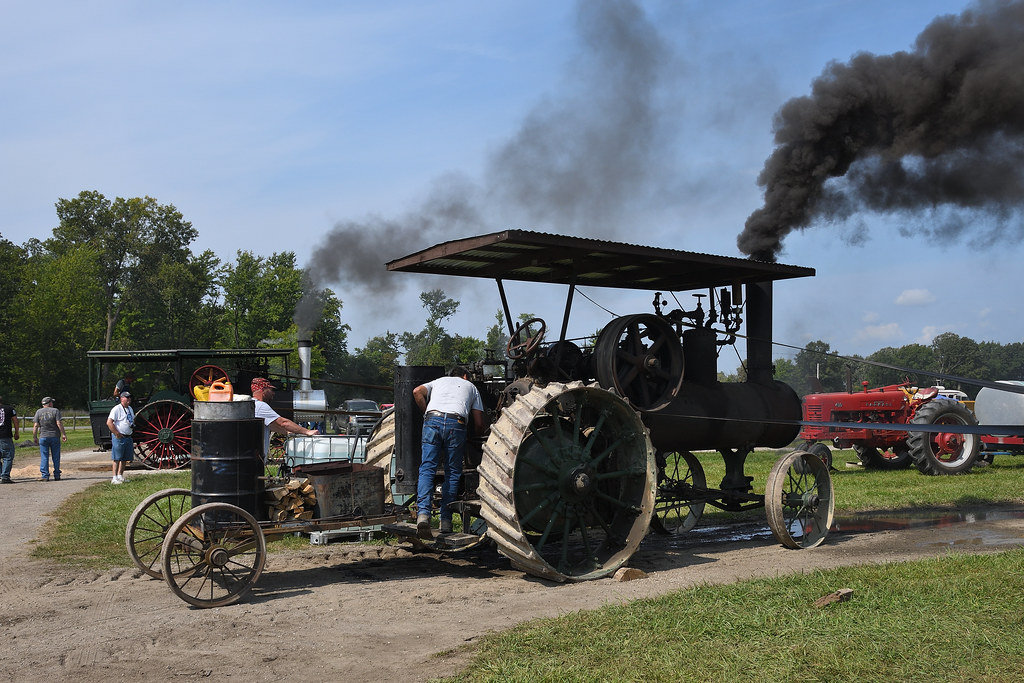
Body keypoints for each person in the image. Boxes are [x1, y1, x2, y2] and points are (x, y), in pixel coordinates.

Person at [413, 366, 485, 538]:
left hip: (432, 420)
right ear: (465, 376)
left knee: (427, 468)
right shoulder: (471, 387)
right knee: (452, 472)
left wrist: (427, 415)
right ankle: (445, 520)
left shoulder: (438, 382)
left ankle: (423, 514)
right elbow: (479, 424)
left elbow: (417, 392)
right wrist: (474, 437)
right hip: (456, 423)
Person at [250, 378, 319, 461]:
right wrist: (307, 431)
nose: (273, 393)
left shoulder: (251, 404)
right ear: (263, 390)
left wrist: (288, 432)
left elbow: (271, 426)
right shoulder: (260, 406)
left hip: (252, 457)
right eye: (271, 390)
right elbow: (283, 422)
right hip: (255, 460)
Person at [32, 396, 67, 481]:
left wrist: (35, 436)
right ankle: (57, 474)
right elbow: (59, 423)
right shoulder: (55, 411)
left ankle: (45, 475)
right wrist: (63, 434)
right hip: (54, 436)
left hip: (43, 437)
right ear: (50, 403)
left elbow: (36, 425)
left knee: (44, 456)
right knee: (56, 456)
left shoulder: (38, 412)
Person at [106, 391, 135, 484]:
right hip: (119, 436)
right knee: (117, 458)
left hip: (128, 436)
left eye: (129, 398)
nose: (129, 399)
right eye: (127, 398)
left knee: (124, 458)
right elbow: (109, 422)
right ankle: (114, 478)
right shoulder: (116, 409)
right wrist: (116, 433)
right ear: (121, 398)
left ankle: (120, 476)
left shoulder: (130, 408)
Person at [0, 394, 20, 484]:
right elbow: (15, 420)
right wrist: (16, 432)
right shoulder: (9, 409)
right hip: (5, 435)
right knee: (8, 456)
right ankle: (5, 476)